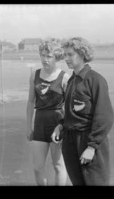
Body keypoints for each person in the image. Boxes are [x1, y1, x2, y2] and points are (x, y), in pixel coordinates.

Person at [51, 37, 114, 186]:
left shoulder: (96, 80)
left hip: (88, 140)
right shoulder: (71, 81)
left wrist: (92, 147)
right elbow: (69, 112)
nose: (66, 58)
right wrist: (60, 126)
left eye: (70, 54)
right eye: (65, 55)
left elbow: (105, 117)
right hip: (70, 141)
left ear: (82, 54)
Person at [26, 38, 70, 186]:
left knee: (58, 166)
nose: (45, 59)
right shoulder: (34, 75)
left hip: (57, 123)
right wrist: (28, 126)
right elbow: (30, 102)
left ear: (56, 57)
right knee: (38, 168)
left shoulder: (64, 77)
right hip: (39, 123)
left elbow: (69, 107)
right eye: (43, 55)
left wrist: (64, 127)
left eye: (49, 56)